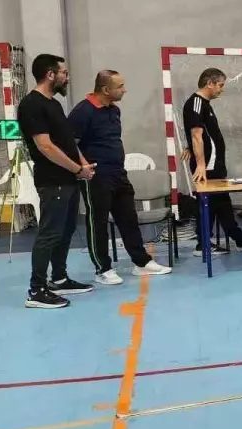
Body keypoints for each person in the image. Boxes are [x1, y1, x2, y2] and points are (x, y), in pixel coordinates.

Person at [68, 70, 173, 285]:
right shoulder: (83, 111)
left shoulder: (114, 110)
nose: (125, 90)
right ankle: (103, 269)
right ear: (106, 89)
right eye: (120, 86)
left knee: (128, 218)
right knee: (97, 222)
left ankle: (141, 262)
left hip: (118, 173)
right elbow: (69, 143)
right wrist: (83, 166)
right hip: (96, 176)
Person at [16, 54, 95, 308]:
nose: (67, 77)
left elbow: (67, 142)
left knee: (66, 230)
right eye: (64, 73)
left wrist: (82, 164)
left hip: (69, 179)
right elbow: (45, 146)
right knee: (49, 234)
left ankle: (59, 279)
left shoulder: (55, 105)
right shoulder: (31, 105)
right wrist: (77, 169)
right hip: (52, 181)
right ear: (50, 74)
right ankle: (36, 291)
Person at [184, 68, 242, 252]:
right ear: (209, 83)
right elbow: (196, 135)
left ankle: (239, 239)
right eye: (220, 85)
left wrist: (189, 148)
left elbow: (203, 134)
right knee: (208, 205)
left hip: (215, 165)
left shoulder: (206, 104)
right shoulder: (196, 103)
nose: (222, 89)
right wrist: (201, 164)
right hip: (207, 166)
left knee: (222, 204)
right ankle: (204, 245)